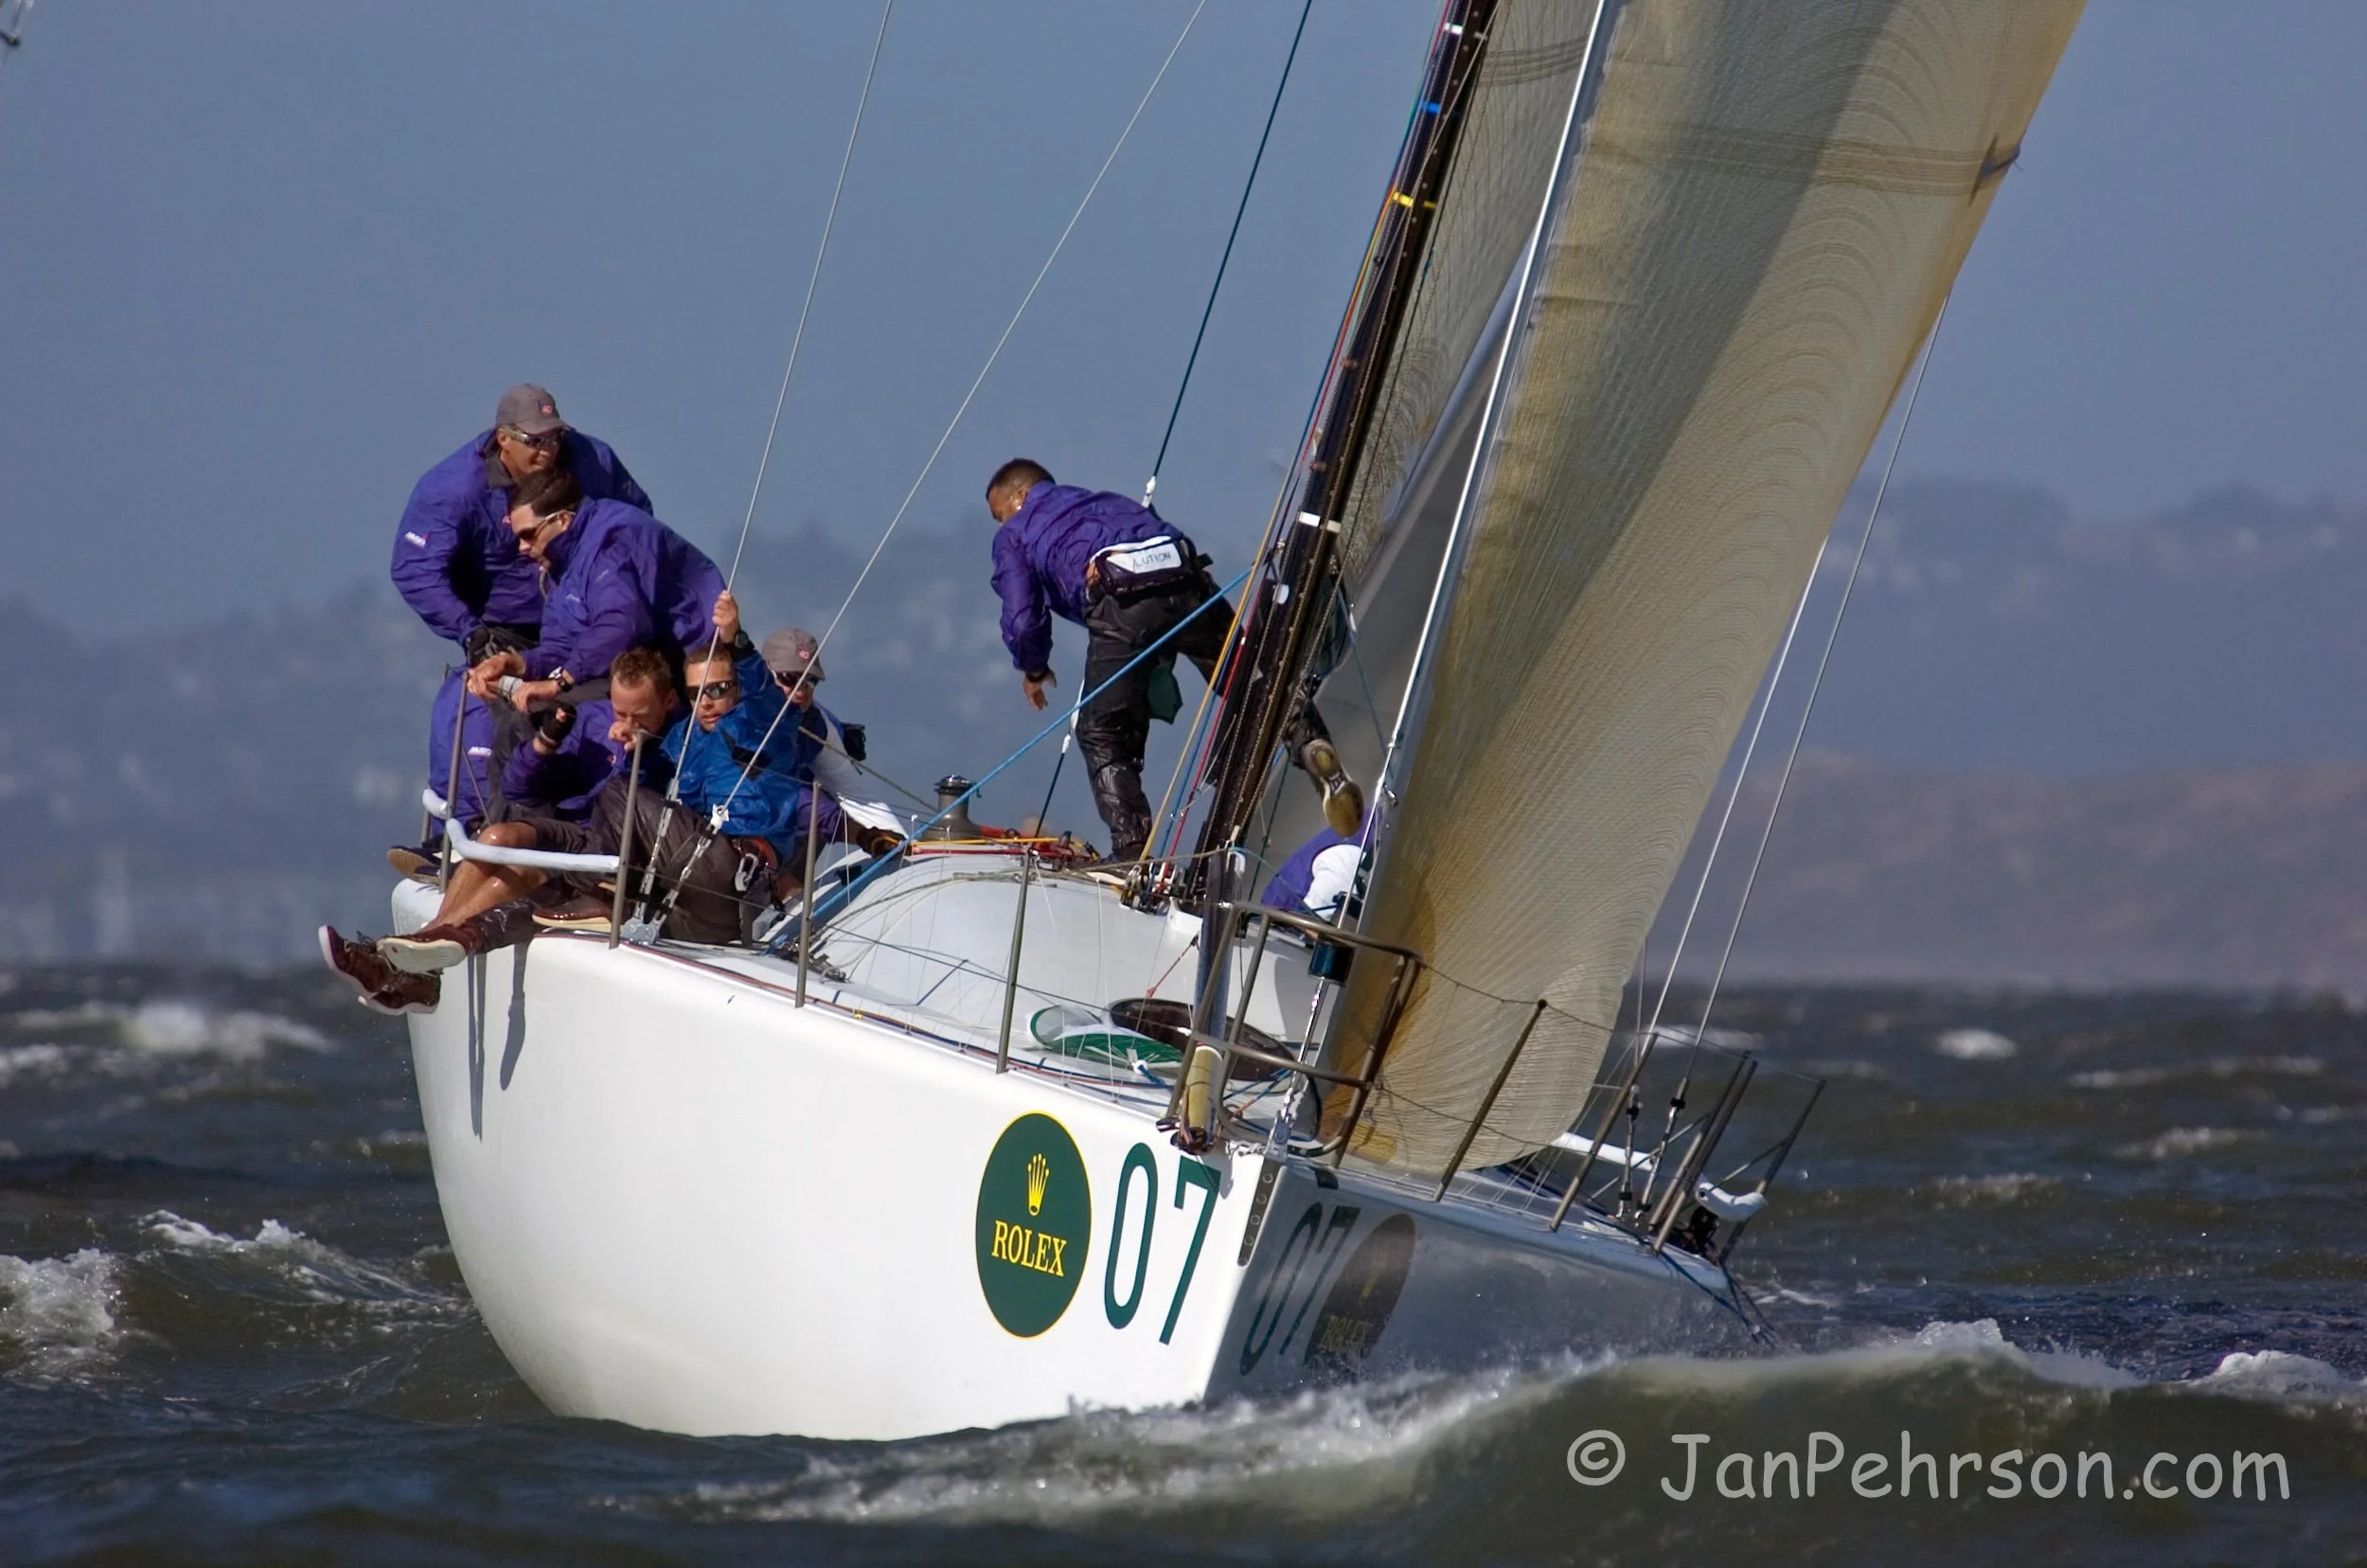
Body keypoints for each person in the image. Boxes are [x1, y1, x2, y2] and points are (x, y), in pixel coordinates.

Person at [985, 458, 1361, 864]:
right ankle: (1309, 742)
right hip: (1187, 579)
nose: (1001, 523)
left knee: (1101, 730)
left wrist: (1034, 668)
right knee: (1248, 678)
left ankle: (1130, 854)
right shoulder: (1106, 500)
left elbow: (1023, 619)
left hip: (1123, 601)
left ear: (1021, 496)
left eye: (999, 514)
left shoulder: (1016, 534)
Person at [389, 383, 650, 655]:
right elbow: (416, 570)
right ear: (504, 438)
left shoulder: (594, 460)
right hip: (503, 630)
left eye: (555, 437)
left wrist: (619, 595)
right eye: (535, 441)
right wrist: (470, 633)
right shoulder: (451, 490)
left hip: (588, 617)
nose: (548, 451)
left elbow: (636, 525)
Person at [464, 469, 726, 718]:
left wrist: (560, 680)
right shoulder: (561, 563)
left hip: (687, 663)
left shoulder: (611, 540)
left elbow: (621, 624)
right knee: (512, 711)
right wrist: (517, 664)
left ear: (563, 520)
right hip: (630, 661)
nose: (521, 547)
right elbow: (563, 645)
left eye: (529, 535)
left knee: (544, 713)